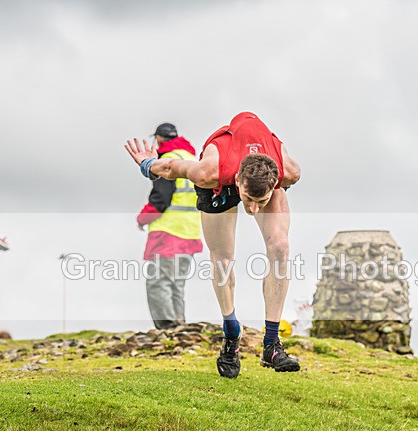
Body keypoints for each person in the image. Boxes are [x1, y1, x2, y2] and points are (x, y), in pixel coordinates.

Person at [126, 112, 302, 378]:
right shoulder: (210, 171)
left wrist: (264, 199)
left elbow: (267, 193)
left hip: (259, 169)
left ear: (275, 184)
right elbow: (171, 169)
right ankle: (231, 335)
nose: (253, 210)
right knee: (222, 257)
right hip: (222, 180)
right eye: (248, 199)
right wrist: (147, 163)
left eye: (261, 201)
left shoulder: (288, 171)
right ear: (240, 183)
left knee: (280, 248)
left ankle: (272, 344)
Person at [136, 123, 203, 330]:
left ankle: (166, 327)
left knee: (159, 281)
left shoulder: (167, 160)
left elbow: (161, 199)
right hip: (191, 232)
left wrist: (143, 218)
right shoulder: (193, 160)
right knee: (177, 283)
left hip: (168, 231)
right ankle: (179, 326)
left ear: (159, 139)